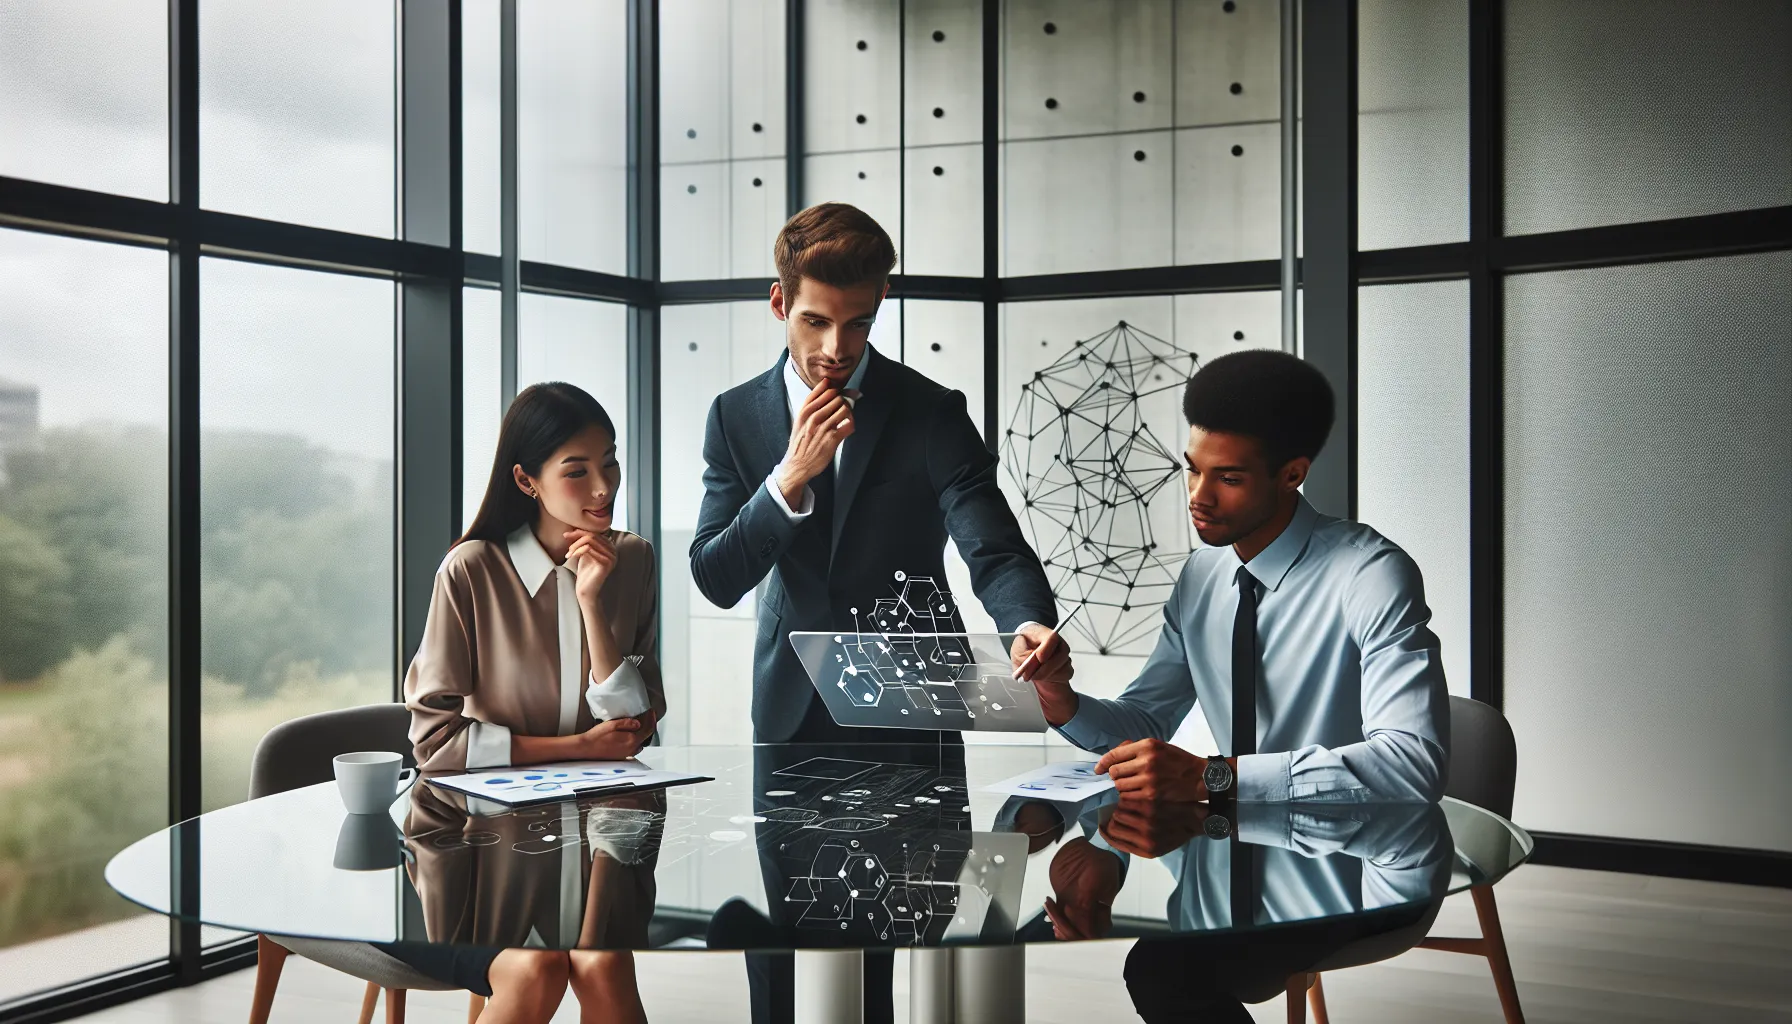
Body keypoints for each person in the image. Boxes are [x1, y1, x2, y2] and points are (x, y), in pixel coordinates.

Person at [688, 202, 1068, 1023]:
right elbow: (714, 576)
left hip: (912, 717)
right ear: (778, 303)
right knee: (800, 952)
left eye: (858, 323)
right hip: (792, 726)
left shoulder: (930, 411)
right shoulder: (735, 416)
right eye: (816, 321)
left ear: (882, 300)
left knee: (934, 945)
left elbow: (992, 545)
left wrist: (1025, 622)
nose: (836, 349)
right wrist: (788, 479)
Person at [1026, 349, 1450, 806]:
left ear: (1292, 475)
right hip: (1216, 854)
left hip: (1341, 855)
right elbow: (1147, 720)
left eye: (1227, 479)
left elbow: (1413, 763)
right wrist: (1056, 695)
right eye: (1192, 470)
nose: (1198, 497)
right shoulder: (1201, 576)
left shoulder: (1370, 575)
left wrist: (1215, 777)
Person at [397, 381, 666, 1024]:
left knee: (600, 962)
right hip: (474, 839)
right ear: (527, 480)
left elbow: (635, 726)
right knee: (542, 964)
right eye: (577, 470)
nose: (603, 486)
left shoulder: (631, 560)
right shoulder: (471, 570)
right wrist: (578, 749)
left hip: (603, 827)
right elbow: (435, 745)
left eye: (611, 461)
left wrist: (593, 604)